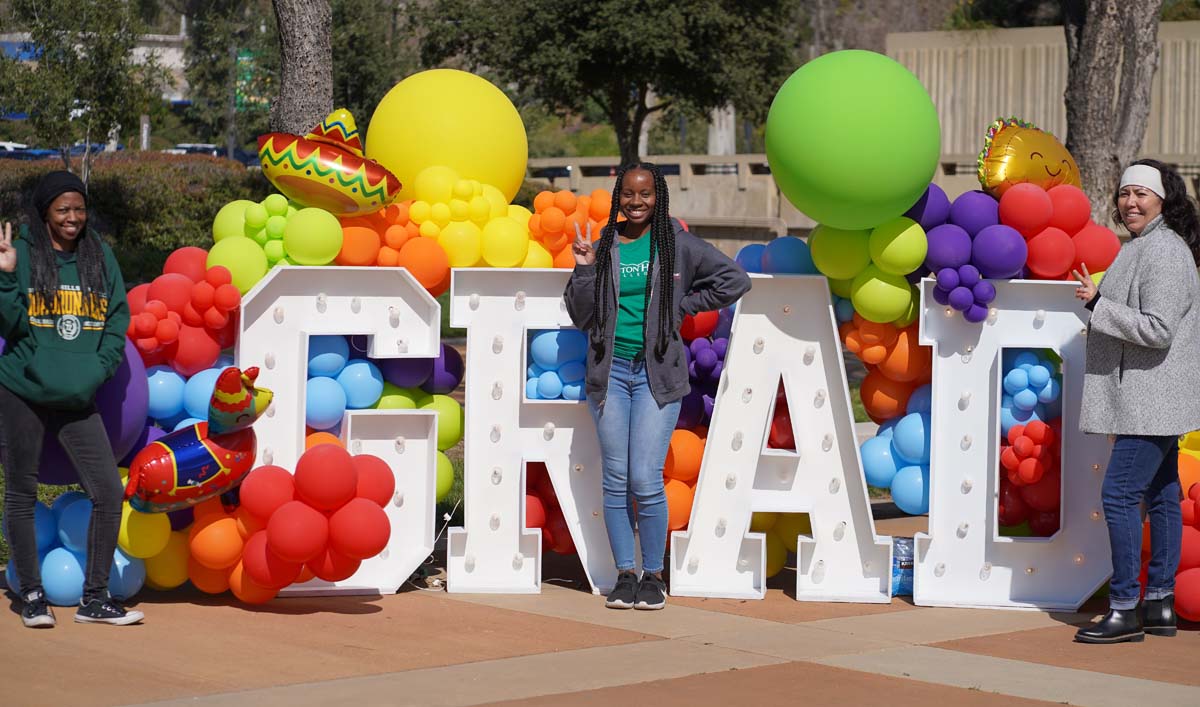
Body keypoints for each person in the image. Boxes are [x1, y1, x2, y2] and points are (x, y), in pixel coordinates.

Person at [564, 162, 750, 610]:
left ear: (658, 196)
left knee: (645, 478)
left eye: (645, 193)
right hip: (610, 375)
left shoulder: (676, 245)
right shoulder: (606, 243)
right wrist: (585, 267)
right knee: (615, 479)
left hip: (656, 376)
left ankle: (653, 574)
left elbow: (735, 279)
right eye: (628, 193)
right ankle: (624, 575)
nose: (636, 201)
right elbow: (581, 314)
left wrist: (684, 304)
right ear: (618, 197)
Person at [0, 171, 143, 627]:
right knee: (22, 492)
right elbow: (10, 325)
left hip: (78, 395)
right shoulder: (21, 253)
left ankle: (95, 599)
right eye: (62, 210)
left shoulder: (99, 256)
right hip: (23, 389)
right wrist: (5, 278)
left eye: (78, 209)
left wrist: (96, 370)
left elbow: (118, 320)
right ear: (45, 213)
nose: (72, 218)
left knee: (107, 491)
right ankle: (32, 595)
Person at [1072, 159, 1200, 644]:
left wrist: (1098, 305)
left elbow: (1159, 328)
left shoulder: (1163, 251)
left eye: (1140, 195)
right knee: (1162, 495)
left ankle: (1125, 607)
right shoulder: (1149, 246)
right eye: (1124, 194)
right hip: (1150, 398)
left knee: (1120, 494)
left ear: (1163, 199)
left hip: (1153, 399)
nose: (1129, 203)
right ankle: (1159, 603)